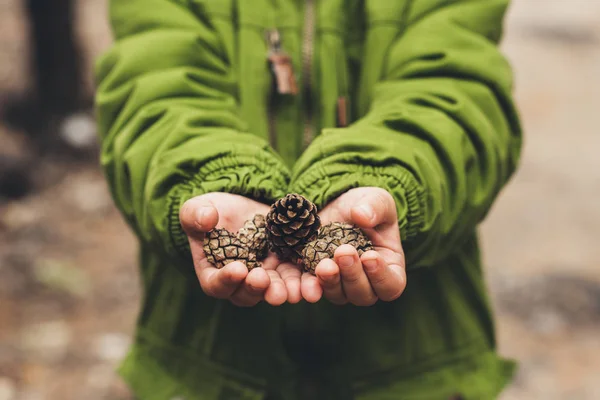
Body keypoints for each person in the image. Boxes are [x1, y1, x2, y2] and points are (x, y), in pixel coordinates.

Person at [95, 0, 522, 399]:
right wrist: (211, 177)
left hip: (418, 361)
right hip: (204, 363)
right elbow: (151, 91)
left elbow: (460, 94)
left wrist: (386, 182)